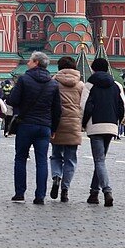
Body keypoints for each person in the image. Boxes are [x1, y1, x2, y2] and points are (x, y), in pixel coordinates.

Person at [7, 52, 62, 204]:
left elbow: (13, 100)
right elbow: (57, 109)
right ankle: (40, 196)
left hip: (26, 124)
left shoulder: (24, 79)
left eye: (30, 61)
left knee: (20, 158)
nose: (28, 63)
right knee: (42, 161)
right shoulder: (53, 83)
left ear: (36, 62)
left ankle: (19, 193)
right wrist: (54, 128)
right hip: (44, 126)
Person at [82, 57, 125, 206]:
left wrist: (83, 123)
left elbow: (84, 106)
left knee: (99, 161)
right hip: (111, 125)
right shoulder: (116, 85)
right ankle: (93, 193)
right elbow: (123, 106)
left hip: (95, 125)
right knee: (100, 161)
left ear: (93, 69)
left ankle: (107, 190)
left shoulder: (89, 84)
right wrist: (118, 121)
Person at [48, 56, 83, 200]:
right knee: (70, 159)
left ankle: (56, 176)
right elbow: (84, 105)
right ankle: (65, 189)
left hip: (57, 123)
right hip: (74, 124)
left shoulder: (53, 83)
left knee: (56, 155)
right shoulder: (80, 85)